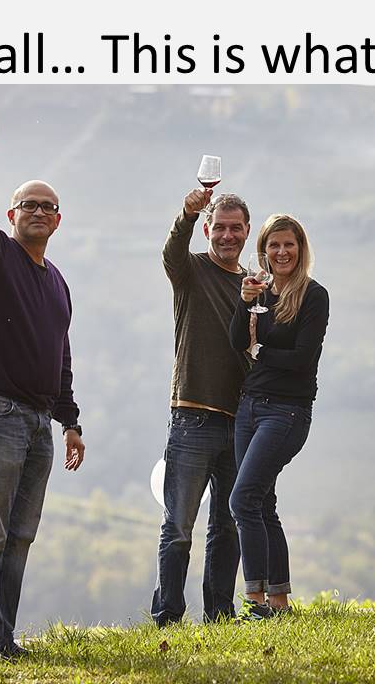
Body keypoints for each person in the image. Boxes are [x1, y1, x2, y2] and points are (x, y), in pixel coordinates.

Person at [0, 130, 85, 659]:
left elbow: (61, 353)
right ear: (10, 216)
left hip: (37, 422)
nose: (37, 211)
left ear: (58, 221)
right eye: (27, 204)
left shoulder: (56, 281)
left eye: (47, 206)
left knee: (20, 536)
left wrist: (69, 419)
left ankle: (1, 637)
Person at [151, 187, 252, 626]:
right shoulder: (191, 270)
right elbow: (172, 251)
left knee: (227, 528)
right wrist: (187, 214)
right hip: (191, 415)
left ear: (247, 232)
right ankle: (169, 615)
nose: (227, 235)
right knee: (178, 528)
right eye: (220, 227)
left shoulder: (252, 284)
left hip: (240, 421)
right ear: (208, 229)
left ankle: (220, 615)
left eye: (236, 228)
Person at [228, 214, 329, 620]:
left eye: (289, 245)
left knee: (243, 498)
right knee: (263, 503)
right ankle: (280, 603)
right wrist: (244, 303)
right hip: (249, 407)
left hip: (287, 411)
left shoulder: (314, 295)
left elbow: (303, 359)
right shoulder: (262, 293)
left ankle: (254, 602)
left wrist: (259, 351)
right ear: (263, 251)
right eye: (274, 246)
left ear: (301, 250)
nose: (282, 252)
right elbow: (237, 340)